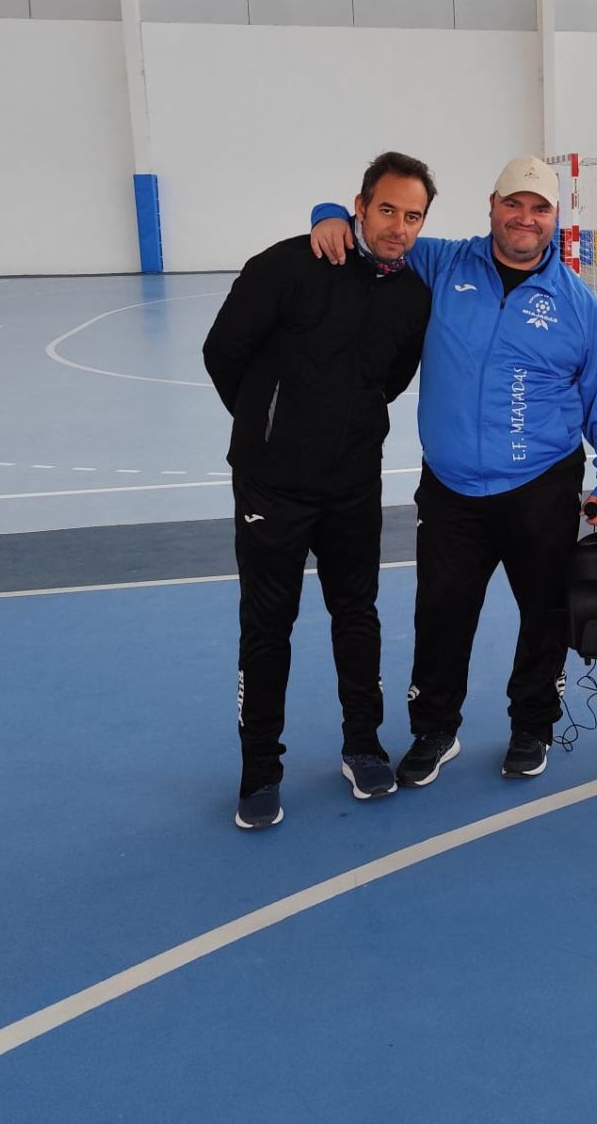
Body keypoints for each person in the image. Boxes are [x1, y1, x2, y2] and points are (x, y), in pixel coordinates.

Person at [305, 157, 597, 786]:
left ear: (554, 218)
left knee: (544, 615)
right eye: (515, 204)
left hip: (541, 483)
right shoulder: (444, 264)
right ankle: (435, 728)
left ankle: (532, 725)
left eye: (539, 208)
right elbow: (384, 237)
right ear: (492, 205)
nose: (525, 218)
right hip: (452, 489)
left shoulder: (577, 305)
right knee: (442, 614)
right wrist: (328, 217)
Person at [203, 151, 436, 830]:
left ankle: (363, 745)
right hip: (271, 486)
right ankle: (259, 771)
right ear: (359, 205)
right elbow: (224, 353)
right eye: (387, 209)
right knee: (267, 628)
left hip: (353, 485)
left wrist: (346, 427)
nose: (399, 226)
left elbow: (388, 380)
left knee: (356, 616)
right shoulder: (286, 265)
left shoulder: (412, 295)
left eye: (413, 215)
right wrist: (269, 427)